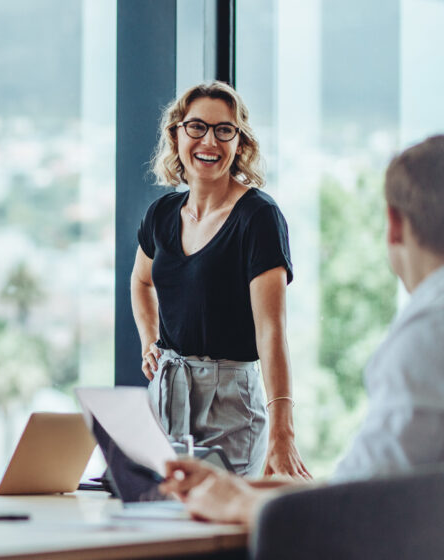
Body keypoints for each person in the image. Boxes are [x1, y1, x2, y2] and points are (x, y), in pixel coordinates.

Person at [160, 135, 444, 524]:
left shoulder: (427, 334)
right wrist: (240, 487)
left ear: (394, 225)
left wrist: (237, 503)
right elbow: (369, 483)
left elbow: (357, 508)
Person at [132, 81, 308, 478]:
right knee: (159, 521)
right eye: (196, 127)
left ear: (240, 143)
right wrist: (149, 341)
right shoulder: (161, 214)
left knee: (220, 529)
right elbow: (141, 282)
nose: (208, 141)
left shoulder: (258, 218)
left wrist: (284, 431)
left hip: (230, 400)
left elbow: (271, 331)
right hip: (165, 392)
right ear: (176, 134)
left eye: (223, 130)